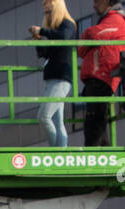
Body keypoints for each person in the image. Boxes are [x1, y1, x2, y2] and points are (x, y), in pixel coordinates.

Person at [77, 0, 125, 148]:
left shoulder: (116, 19)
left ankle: (93, 157)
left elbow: (94, 34)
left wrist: (88, 34)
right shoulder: (109, 19)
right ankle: (104, 154)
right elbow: (81, 50)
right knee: (97, 120)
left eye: (97, 1)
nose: (94, 5)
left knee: (94, 121)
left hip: (102, 76)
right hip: (98, 76)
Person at [31, 0, 77, 147]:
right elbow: (45, 53)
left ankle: (54, 152)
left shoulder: (67, 24)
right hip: (53, 79)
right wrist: (38, 39)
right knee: (58, 121)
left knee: (44, 116)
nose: (47, 14)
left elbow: (64, 36)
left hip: (61, 79)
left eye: (49, 11)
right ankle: (60, 153)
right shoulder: (56, 31)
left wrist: (42, 31)